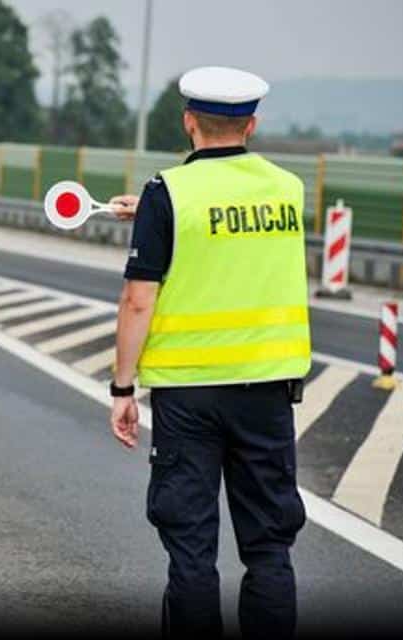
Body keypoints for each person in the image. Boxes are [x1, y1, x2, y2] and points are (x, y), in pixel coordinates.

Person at [105, 66, 310, 639]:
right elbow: (232, 234)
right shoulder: (288, 189)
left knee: (192, 550)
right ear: (252, 123)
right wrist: (145, 210)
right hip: (268, 391)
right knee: (269, 547)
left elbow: (137, 301)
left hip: (189, 394)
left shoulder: (167, 193)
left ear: (187, 121)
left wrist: (123, 388)